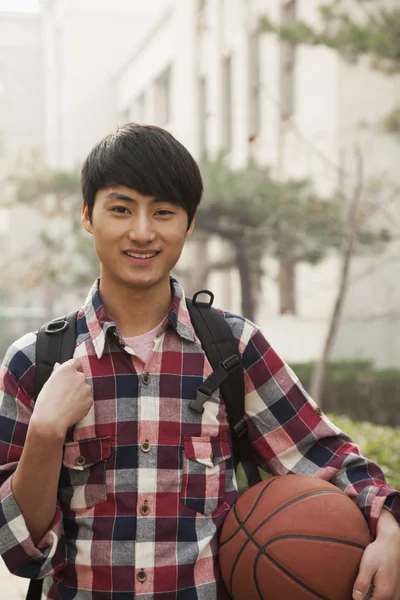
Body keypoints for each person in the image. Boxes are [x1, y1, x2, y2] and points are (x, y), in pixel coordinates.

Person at [0, 124, 399, 600]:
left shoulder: (232, 348)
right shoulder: (37, 362)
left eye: (164, 212)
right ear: (88, 215)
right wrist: (46, 435)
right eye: (121, 209)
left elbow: (324, 457)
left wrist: (390, 526)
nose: (142, 232)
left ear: (188, 224)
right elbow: (19, 551)